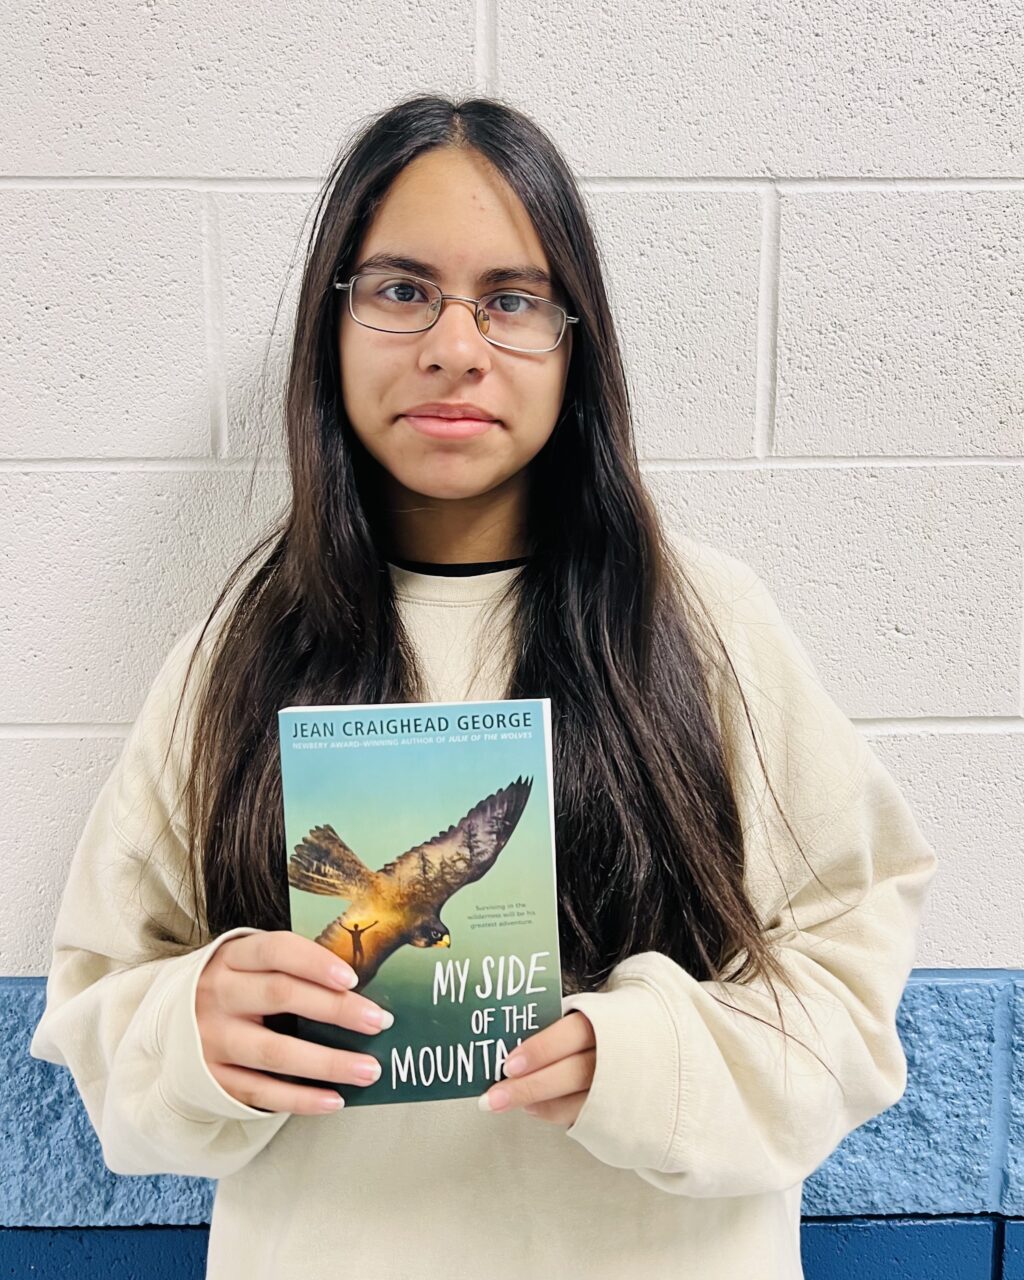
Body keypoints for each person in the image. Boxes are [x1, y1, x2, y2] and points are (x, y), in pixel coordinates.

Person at [29, 93, 937, 1280]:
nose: (456, 346)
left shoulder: (703, 623)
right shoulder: (238, 650)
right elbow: (99, 1001)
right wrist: (190, 1029)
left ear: (575, 342)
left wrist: (654, 1061)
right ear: (332, 323)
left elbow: (849, 973)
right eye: (402, 290)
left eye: (510, 300)